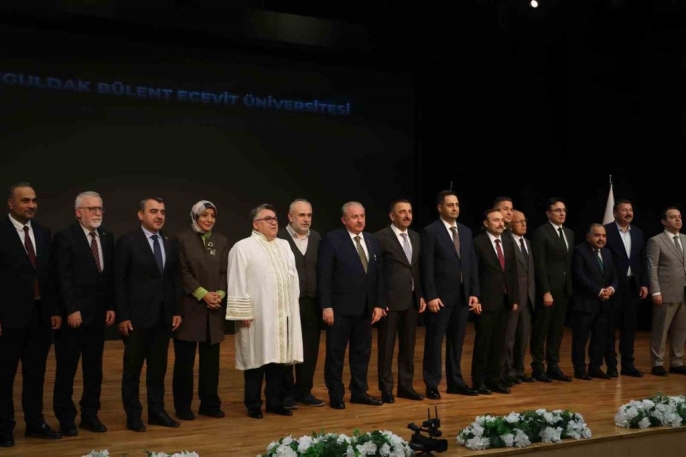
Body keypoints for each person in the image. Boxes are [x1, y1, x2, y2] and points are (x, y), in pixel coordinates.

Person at [225, 204, 303, 419]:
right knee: (256, 360)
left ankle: (275, 402)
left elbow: (293, 278)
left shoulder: (284, 245)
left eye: (275, 218)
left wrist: (292, 307)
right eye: (268, 219)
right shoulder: (243, 247)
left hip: (282, 315)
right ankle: (253, 404)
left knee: (277, 361)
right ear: (255, 224)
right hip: (257, 316)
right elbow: (236, 280)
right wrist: (242, 313)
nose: (273, 222)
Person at [0, 182, 62, 447]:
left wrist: (54, 310)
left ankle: (35, 423)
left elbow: (50, 275)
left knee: (35, 374)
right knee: (4, 376)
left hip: (40, 316)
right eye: (25, 200)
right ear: (11, 204)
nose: (31, 205)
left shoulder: (43, 232)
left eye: (34, 200)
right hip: (8, 318)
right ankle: (4, 428)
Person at [116, 197, 182, 432]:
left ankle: (157, 412)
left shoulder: (169, 241)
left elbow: (174, 280)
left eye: (162, 212)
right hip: (136, 319)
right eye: (153, 211)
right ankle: (133, 415)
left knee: (157, 370)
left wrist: (176, 310)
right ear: (140, 215)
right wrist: (123, 315)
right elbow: (119, 281)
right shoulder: (127, 241)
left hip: (163, 318)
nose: (159, 216)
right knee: (132, 371)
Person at [52, 191, 115, 437]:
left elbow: (108, 276)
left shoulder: (106, 237)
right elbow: (63, 277)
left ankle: (90, 415)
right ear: (79, 212)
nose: (97, 213)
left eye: (100, 208)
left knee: (94, 370)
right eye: (92, 209)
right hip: (74, 317)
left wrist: (111, 306)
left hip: (98, 317)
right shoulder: (65, 237)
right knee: (66, 370)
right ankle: (66, 418)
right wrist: (72, 309)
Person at [319, 201, 385, 409]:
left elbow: (379, 276)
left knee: (361, 354)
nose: (360, 220)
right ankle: (336, 394)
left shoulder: (372, 240)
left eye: (362, 216)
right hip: (339, 310)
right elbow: (324, 276)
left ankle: (359, 391)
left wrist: (379, 304)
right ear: (344, 220)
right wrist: (326, 305)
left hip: (365, 309)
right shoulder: (332, 239)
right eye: (355, 217)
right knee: (335, 354)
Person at [421, 190, 481, 399]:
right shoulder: (430, 231)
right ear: (440, 208)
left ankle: (456, 382)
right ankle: (432, 384)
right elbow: (426, 267)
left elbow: (471, 263)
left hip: (462, 296)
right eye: (450, 205)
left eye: (456, 205)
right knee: (434, 342)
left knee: (457, 343)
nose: (455, 208)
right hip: (440, 298)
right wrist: (431, 295)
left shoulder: (465, 231)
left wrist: (474, 292)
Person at [172, 200, 229, 421]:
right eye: (204, 215)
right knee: (185, 362)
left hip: (214, 309)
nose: (209, 220)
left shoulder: (221, 240)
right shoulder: (181, 239)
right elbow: (182, 272)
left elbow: (224, 272)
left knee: (211, 363)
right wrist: (203, 294)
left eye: (212, 216)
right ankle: (183, 406)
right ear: (194, 217)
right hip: (190, 308)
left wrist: (219, 294)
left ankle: (209, 404)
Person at [374, 199, 426, 403]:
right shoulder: (380, 237)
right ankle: (386, 388)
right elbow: (376, 273)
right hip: (390, 302)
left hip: (411, 301)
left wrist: (420, 295)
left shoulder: (415, 236)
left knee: (408, 348)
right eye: (402, 212)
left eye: (409, 211)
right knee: (386, 348)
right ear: (392, 216)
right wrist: (380, 300)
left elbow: (416, 269)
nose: (407, 215)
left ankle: (406, 387)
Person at [278, 199, 325, 408]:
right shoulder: (279, 238)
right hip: (288, 303)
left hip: (312, 302)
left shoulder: (316, 238)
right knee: (287, 348)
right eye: (302, 215)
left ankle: (304, 391)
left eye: (309, 215)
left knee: (310, 348)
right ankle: (286, 393)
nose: (306, 219)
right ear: (290, 217)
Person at [472, 209, 519, 395]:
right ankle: (479, 381)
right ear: (486, 223)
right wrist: (476, 297)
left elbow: (512, 272)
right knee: (484, 343)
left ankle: (494, 379)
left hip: (505, 301)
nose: (500, 223)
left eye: (501, 221)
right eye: (495, 220)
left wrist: (514, 298)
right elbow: (474, 272)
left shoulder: (507, 242)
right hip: (486, 301)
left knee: (499, 343)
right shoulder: (478, 242)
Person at [530, 197, 574, 383]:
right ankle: (538, 367)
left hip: (564, 290)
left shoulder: (569, 233)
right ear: (548, 213)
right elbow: (539, 264)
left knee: (557, 330)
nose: (562, 213)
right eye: (557, 210)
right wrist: (545, 290)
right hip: (548, 290)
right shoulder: (541, 233)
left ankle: (553, 365)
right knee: (541, 329)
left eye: (564, 210)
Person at [603, 200, 648, 377]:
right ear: (615, 213)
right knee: (610, 328)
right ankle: (611, 365)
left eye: (630, 210)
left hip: (632, 286)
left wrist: (644, 283)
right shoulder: (606, 231)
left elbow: (642, 260)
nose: (628, 213)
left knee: (629, 328)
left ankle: (628, 364)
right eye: (624, 210)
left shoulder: (638, 232)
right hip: (613, 286)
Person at [570, 224, 617, 380]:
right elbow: (579, 275)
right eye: (597, 235)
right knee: (580, 339)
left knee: (599, 338)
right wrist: (598, 291)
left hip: (604, 304)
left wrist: (611, 288)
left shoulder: (607, 252)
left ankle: (595, 367)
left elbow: (614, 275)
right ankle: (580, 369)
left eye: (603, 236)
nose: (601, 239)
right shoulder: (579, 251)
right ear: (588, 236)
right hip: (585, 303)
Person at [646, 207, 686, 377]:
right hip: (665, 291)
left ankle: (676, 362)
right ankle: (657, 363)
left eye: (679, 217)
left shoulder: (685, 239)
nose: (678, 220)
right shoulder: (656, 241)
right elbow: (652, 267)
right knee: (660, 329)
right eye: (673, 217)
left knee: (681, 329)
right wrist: (655, 291)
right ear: (664, 221)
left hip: (683, 292)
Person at [503, 210, 536, 384]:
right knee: (509, 338)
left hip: (528, 297)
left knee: (523, 337)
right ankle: (507, 371)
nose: (524, 224)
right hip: (514, 298)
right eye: (519, 221)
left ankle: (519, 369)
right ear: (510, 225)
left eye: (525, 221)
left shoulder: (528, 243)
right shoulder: (506, 242)